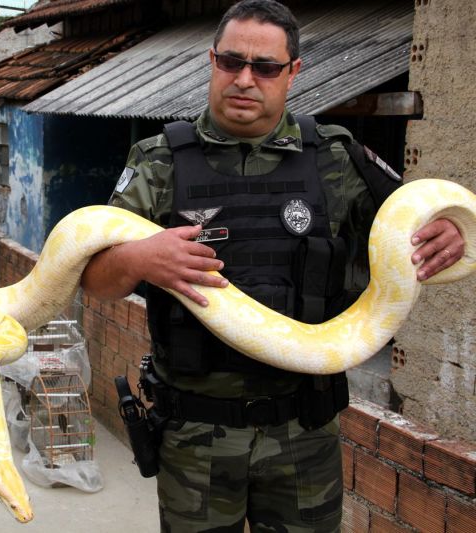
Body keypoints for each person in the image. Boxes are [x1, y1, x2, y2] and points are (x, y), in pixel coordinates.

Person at [81, 1, 465, 531]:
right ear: (211, 60)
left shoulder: (335, 156)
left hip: (304, 434)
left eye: (265, 67)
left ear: (293, 72)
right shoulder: (159, 162)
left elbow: (419, 219)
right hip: (196, 433)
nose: (244, 79)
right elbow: (95, 281)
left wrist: (450, 229)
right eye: (230, 62)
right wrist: (137, 257)